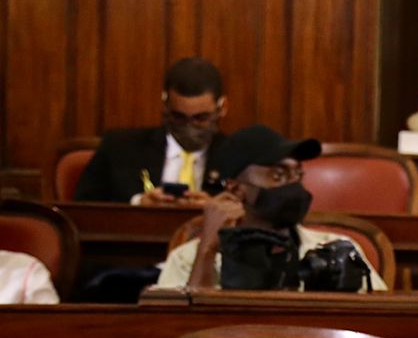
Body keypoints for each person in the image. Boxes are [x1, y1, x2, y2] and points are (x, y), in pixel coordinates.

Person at [157, 124, 386, 291]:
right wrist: (207, 251)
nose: (293, 184)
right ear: (237, 189)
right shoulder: (187, 258)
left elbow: (382, 324)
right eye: (278, 175)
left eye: (297, 174)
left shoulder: (335, 250)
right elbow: (177, 335)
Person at [75, 58, 230, 205]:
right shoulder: (120, 148)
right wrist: (138, 203)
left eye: (201, 118)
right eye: (179, 117)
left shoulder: (237, 158)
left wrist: (215, 210)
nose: (189, 126)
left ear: (222, 108)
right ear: (165, 105)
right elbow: (83, 209)